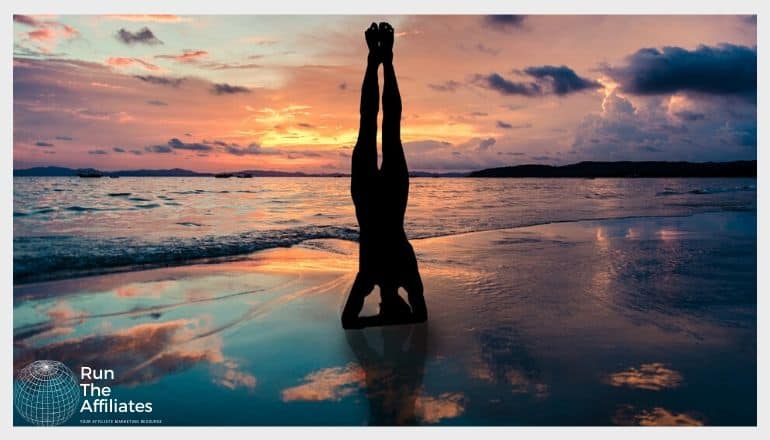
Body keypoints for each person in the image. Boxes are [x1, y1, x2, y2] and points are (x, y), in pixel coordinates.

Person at [341, 22, 427, 329]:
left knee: (381, 126)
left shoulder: (394, 273)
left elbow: (419, 316)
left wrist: (387, 318)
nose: (379, 303)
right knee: (382, 127)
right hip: (378, 197)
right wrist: (384, 319)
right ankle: (381, 60)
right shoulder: (370, 276)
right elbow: (350, 320)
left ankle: (380, 60)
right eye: (385, 305)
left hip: (380, 196)